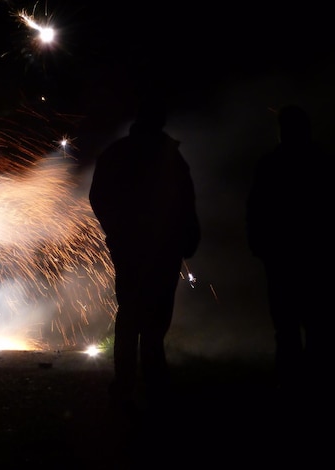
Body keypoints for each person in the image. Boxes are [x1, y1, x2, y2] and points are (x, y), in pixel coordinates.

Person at [88, 93, 201, 415]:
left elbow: (99, 197)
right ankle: (151, 384)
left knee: (132, 315)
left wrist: (117, 233)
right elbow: (186, 202)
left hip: (137, 248)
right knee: (153, 317)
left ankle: (127, 385)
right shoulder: (168, 155)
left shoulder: (119, 153)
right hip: (161, 247)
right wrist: (188, 237)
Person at [246, 104, 335, 392]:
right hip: (314, 259)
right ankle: (313, 388)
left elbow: (257, 211)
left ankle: (295, 387)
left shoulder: (272, 165)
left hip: (288, 259)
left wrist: (260, 246)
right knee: (314, 326)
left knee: (289, 329)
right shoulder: (323, 163)